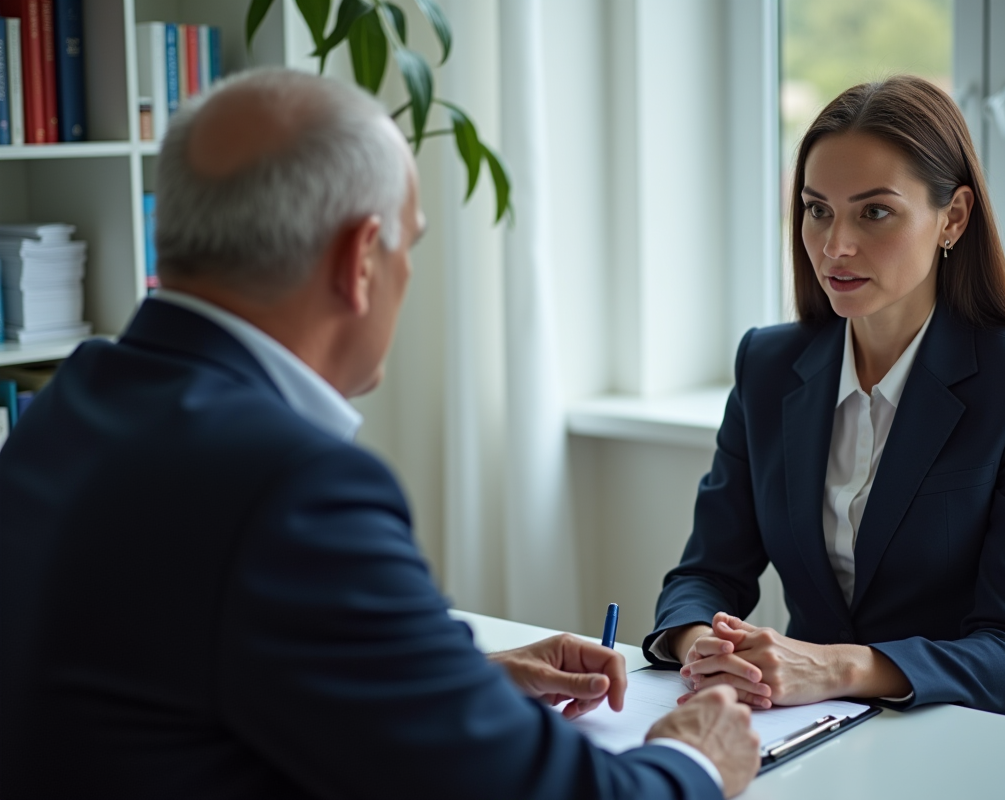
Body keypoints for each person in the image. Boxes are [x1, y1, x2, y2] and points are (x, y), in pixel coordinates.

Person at [0, 69, 760, 799]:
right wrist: (694, 756)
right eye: (411, 244)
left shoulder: (81, 395)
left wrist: (456, 684)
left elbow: (168, 665)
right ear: (361, 259)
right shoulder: (290, 486)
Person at [644, 75, 1005, 725]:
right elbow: (704, 574)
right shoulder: (768, 366)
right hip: (808, 724)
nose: (835, 245)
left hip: (969, 734)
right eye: (818, 209)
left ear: (952, 219)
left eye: (874, 212)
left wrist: (835, 667)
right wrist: (703, 646)